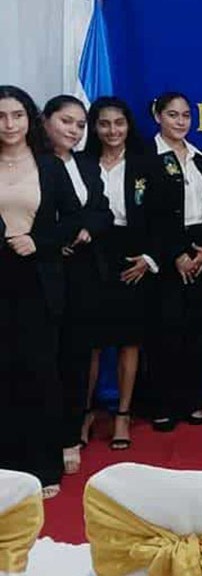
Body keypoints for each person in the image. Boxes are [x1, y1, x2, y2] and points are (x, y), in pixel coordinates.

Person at [0, 85, 82, 498]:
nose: (9, 124)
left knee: (39, 372)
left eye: (16, 115)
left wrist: (39, 242)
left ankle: (43, 466)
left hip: (37, 279)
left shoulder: (49, 166)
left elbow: (73, 219)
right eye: (1, 116)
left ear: (29, 119)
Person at [144, 91, 202, 432]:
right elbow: (148, 214)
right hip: (164, 256)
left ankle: (193, 401)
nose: (180, 122)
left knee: (195, 330)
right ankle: (162, 404)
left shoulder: (201, 158)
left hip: (201, 251)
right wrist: (175, 254)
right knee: (164, 330)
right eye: (173, 115)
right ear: (157, 116)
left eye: (186, 116)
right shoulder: (145, 157)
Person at [41, 95, 114, 475]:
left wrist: (87, 228)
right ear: (45, 121)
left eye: (80, 125)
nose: (74, 130)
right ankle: (39, 437)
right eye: (66, 121)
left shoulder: (86, 164)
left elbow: (102, 211)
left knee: (76, 357)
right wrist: (63, 236)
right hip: (42, 271)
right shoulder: (31, 163)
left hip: (84, 273)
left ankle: (70, 436)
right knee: (42, 357)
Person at [81, 96, 157, 453]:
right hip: (90, 255)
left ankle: (123, 415)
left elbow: (163, 217)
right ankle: (85, 412)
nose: (112, 130)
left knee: (130, 340)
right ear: (94, 128)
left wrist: (149, 258)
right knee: (90, 342)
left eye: (119, 123)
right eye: (104, 123)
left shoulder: (145, 164)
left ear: (128, 126)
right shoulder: (80, 163)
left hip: (132, 256)